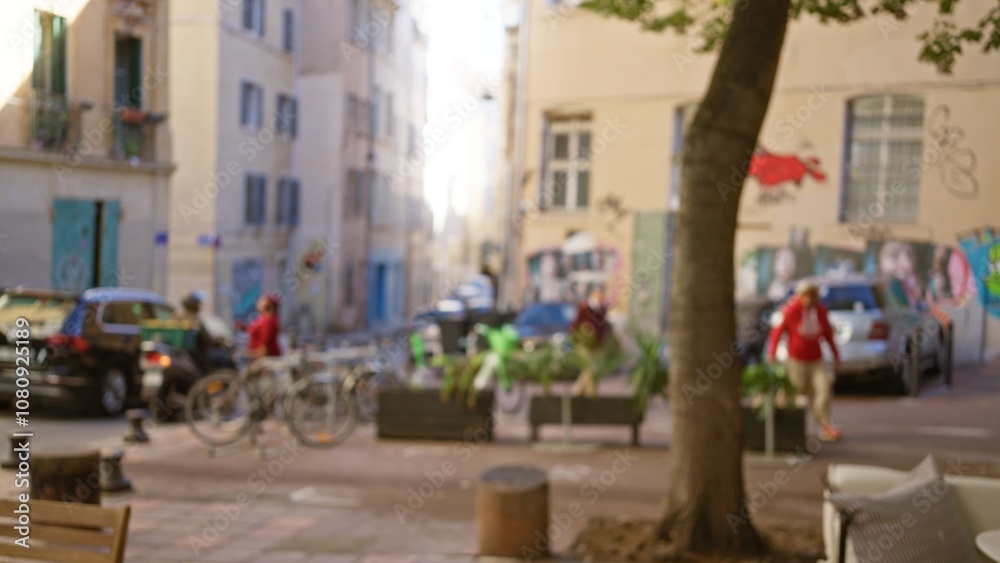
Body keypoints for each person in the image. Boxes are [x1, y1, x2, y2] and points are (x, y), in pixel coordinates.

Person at [767, 281, 842, 442]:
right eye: (806, 296)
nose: (809, 300)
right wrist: (772, 353)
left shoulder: (820, 311)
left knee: (824, 390)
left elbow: (828, 335)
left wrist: (836, 355)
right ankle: (788, 429)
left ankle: (825, 426)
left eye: (812, 296)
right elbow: (777, 332)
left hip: (816, 360)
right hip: (796, 360)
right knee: (795, 393)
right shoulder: (791, 310)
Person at [247, 293, 282, 358]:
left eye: (262, 300)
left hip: (266, 357)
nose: (259, 302)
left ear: (268, 305)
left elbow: (266, 342)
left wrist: (255, 356)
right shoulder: (263, 318)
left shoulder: (269, 320)